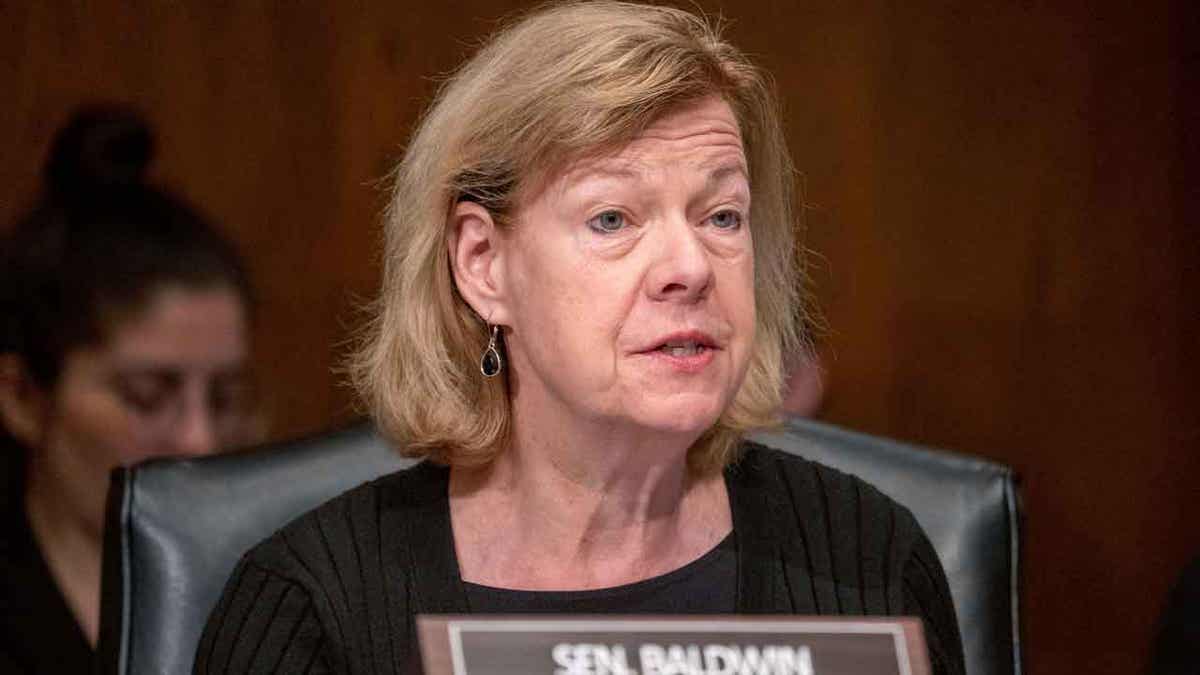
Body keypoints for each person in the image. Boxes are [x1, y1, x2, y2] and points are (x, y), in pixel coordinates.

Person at [196, 3, 965, 674]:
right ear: (482, 262)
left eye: (721, 216)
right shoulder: (313, 607)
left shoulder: (868, 561)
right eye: (612, 219)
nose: (691, 267)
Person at [0, 106, 257, 673]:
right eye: (146, 396)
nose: (201, 440)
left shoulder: (272, 599)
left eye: (224, 398)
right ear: (22, 397)